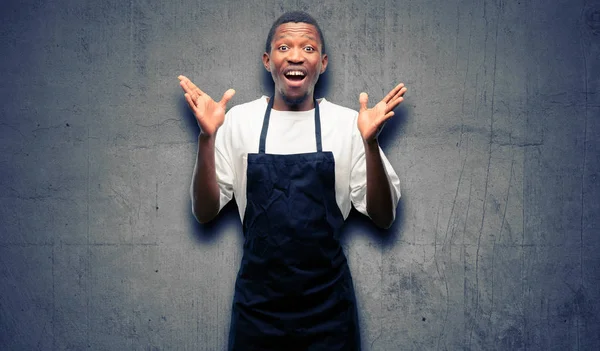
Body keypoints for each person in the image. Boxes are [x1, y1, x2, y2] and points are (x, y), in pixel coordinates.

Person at [178, 11, 406, 351]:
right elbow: (205, 213)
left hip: (329, 310)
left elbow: (384, 218)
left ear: (323, 62)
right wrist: (207, 139)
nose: (296, 55)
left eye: (309, 48)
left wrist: (370, 144)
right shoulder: (238, 121)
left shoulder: (350, 125)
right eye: (284, 47)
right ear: (268, 60)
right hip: (257, 310)